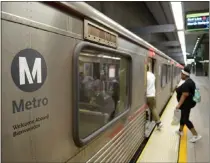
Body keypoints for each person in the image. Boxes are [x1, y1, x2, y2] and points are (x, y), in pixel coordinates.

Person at [175, 66, 202, 143]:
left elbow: (184, 95)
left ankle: (196, 135)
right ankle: (180, 131)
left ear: (184, 74)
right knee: (183, 117)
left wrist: (179, 105)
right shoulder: (190, 82)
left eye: (181, 74)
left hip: (186, 104)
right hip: (187, 104)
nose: (181, 75)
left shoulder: (187, 83)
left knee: (185, 119)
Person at [146, 65, 163, 130]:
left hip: (148, 95)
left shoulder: (145, 76)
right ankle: (158, 123)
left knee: (152, 109)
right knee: (153, 108)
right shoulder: (152, 75)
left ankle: (159, 122)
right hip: (152, 94)